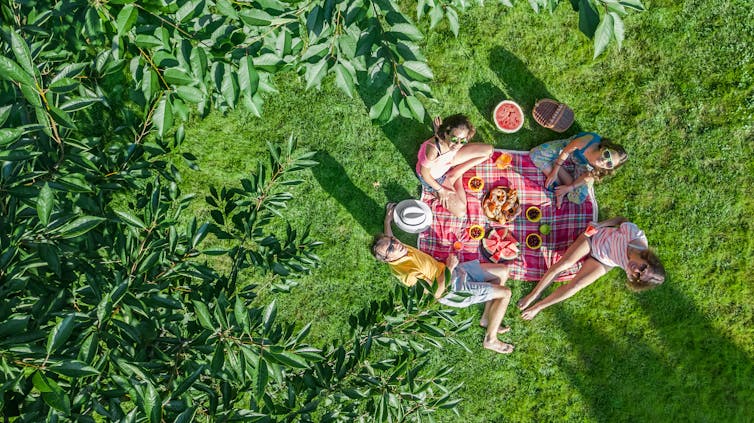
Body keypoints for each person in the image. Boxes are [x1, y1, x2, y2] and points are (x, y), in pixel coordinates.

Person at [372, 203, 514, 354]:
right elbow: (436, 293)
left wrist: (387, 221)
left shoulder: (398, 250)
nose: (396, 244)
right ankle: (490, 339)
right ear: (388, 259)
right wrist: (449, 268)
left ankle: (486, 318)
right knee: (506, 293)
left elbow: (390, 238)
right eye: (391, 248)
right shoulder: (408, 275)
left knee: (503, 271)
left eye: (393, 241)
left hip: (456, 272)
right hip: (453, 289)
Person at [517, 217, 665, 320]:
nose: (636, 270)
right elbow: (621, 220)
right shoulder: (635, 236)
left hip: (604, 261)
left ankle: (538, 307)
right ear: (647, 258)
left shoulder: (632, 273)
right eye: (643, 267)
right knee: (565, 264)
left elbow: (638, 274)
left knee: (576, 286)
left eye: (638, 275)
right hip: (594, 238)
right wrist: (600, 225)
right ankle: (533, 295)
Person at [416, 115, 493, 217]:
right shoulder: (433, 151)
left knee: (489, 151)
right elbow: (424, 174)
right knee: (461, 212)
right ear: (446, 133)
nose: (458, 145)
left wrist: (438, 130)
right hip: (434, 178)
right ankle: (455, 175)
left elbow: (448, 139)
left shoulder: (451, 141)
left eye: (463, 141)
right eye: (454, 139)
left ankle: (455, 174)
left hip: (449, 160)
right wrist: (441, 190)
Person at [529, 132, 628, 208]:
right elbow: (566, 151)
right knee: (535, 153)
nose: (604, 160)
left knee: (578, 197)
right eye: (607, 155)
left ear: (609, 168)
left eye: (609, 164)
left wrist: (569, 188)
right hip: (569, 150)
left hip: (582, 165)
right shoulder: (585, 142)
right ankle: (558, 181)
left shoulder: (601, 168)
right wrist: (554, 171)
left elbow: (587, 177)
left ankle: (559, 186)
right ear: (604, 148)